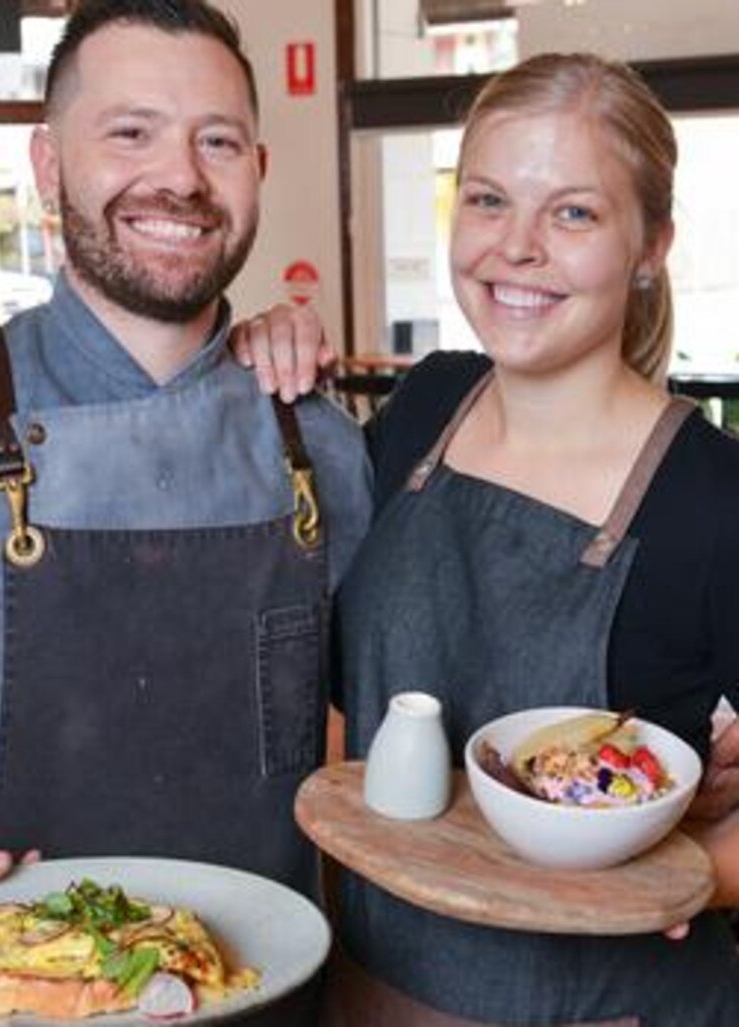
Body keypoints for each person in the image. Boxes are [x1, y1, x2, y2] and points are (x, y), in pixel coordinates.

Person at [237, 51, 739, 1026]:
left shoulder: (710, 496)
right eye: (487, 199)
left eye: (574, 212)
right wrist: (251, 354)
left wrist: (684, 881)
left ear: (652, 245)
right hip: (365, 991)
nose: (517, 246)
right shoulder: (422, 410)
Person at [0, 1, 371, 1021]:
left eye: (218, 141)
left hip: (275, 997)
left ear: (258, 172)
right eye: (131, 132)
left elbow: (403, 720)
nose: (183, 179)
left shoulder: (320, 441)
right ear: (50, 163)